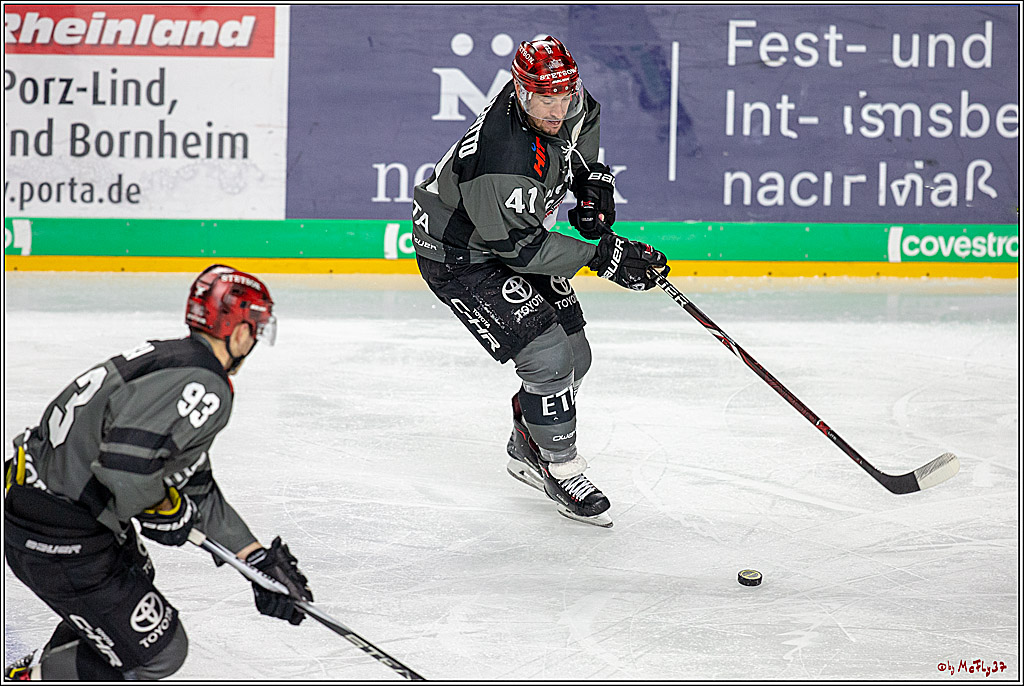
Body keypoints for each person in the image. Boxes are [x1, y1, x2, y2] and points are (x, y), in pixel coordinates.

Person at [4, 265, 313, 680]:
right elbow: (125, 470)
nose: (254, 338)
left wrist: (254, 557)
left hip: (44, 507)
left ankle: (51, 669)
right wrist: (166, 508)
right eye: (254, 326)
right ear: (237, 328)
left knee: (136, 575)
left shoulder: (175, 361)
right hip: (56, 530)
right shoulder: (204, 384)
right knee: (158, 653)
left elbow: (193, 483)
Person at [411, 36, 669, 527]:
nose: (555, 110)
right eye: (542, 100)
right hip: (464, 258)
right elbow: (522, 251)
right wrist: (604, 255)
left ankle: (529, 439)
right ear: (519, 89)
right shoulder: (503, 155)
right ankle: (560, 466)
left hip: (512, 234)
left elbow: (586, 117)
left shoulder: (565, 94)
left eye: (561, 97)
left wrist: (591, 178)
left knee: (577, 357)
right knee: (548, 359)